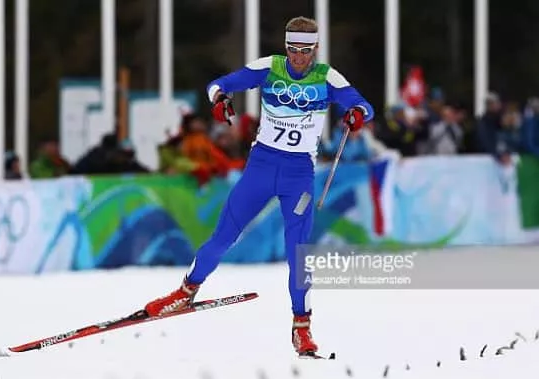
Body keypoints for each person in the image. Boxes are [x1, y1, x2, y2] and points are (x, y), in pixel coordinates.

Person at [143, 16, 374, 356]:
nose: (299, 57)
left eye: (306, 51)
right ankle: (185, 292)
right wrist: (220, 102)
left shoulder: (327, 77)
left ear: (315, 49)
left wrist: (357, 114)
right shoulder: (270, 67)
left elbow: (363, 105)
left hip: (298, 176)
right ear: (286, 46)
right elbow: (217, 85)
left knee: (298, 254)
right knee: (223, 237)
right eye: (293, 49)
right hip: (261, 169)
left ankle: (302, 327)